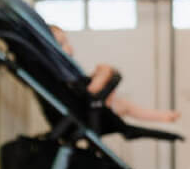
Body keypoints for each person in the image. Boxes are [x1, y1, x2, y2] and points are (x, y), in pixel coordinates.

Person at [48, 26, 180, 123]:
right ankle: (99, 87)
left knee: (124, 103)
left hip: (88, 101)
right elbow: (74, 91)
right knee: (106, 71)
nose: (69, 47)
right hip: (84, 106)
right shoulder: (57, 70)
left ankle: (160, 116)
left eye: (67, 42)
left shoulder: (65, 68)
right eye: (62, 44)